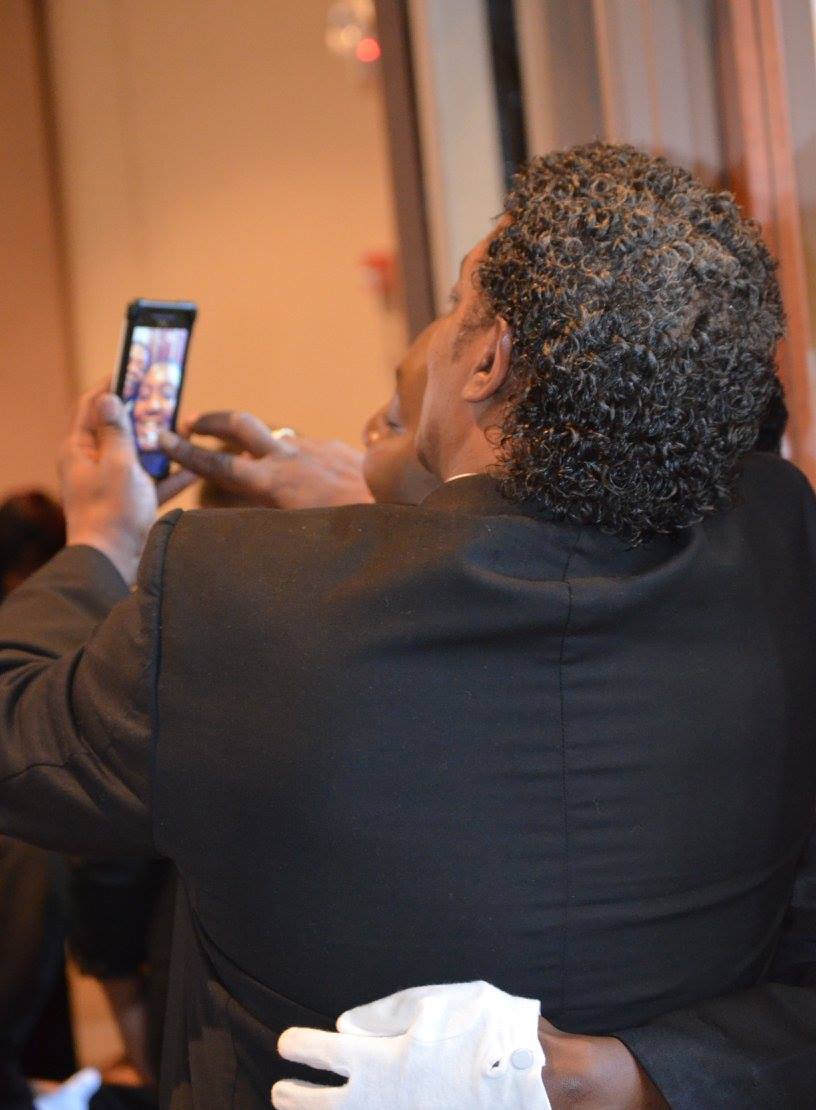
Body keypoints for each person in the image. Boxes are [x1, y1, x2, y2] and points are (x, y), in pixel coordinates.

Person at [0, 142, 814, 1109]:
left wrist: (101, 538)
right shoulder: (779, 545)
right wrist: (383, 519)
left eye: (459, 298)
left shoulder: (235, 598)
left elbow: (18, 743)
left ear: (489, 358)